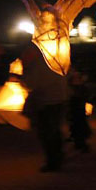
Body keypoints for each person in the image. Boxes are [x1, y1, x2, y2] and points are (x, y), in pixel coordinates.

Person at [21, 40, 69, 172]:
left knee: (47, 132)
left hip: (47, 102)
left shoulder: (40, 65)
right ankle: (58, 156)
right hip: (59, 99)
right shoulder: (56, 60)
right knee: (54, 131)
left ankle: (53, 161)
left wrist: (25, 68)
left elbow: (32, 84)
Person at [66, 69, 91, 153]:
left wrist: (88, 105)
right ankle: (77, 140)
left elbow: (86, 96)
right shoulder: (70, 87)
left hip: (80, 110)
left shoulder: (82, 87)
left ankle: (82, 143)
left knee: (80, 125)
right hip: (73, 110)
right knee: (74, 125)